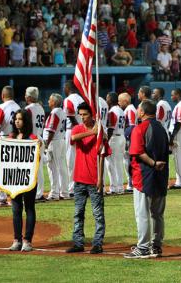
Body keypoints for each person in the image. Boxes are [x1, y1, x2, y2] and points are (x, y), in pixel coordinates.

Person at [124, 100, 170, 259]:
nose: (137, 111)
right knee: (157, 214)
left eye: (138, 109)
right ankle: (156, 246)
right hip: (162, 175)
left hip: (144, 176)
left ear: (142, 112)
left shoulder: (140, 128)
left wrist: (153, 163)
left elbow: (137, 152)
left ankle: (143, 247)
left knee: (142, 213)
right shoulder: (161, 128)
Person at [66, 103, 109, 255]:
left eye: (85, 114)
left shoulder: (100, 133)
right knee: (78, 213)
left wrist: (100, 179)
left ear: (92, 115)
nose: (82, 117)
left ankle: (98, 244)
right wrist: (92, 132)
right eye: (81, 114)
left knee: (98, 214)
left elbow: (103, 156)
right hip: (79, 178)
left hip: (94, 179)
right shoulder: (78, 128)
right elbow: (73, 137)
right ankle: (78, 243)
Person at [1, 109, 38, 252]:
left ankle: (27, 240)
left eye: (20, 119)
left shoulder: (33, 137)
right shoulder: (11, 136)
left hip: (28, 179)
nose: (17, 121)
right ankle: (17, 240)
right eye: (16, 119)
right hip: (14, 179)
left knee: (29, 208)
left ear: (26, 121)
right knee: (16, 209)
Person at [0, 86, 21, 206]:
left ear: (2, 95)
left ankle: (2, 196)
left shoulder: (1, 107)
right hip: (16, 139)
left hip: (3, 139)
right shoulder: (19, 107)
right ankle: (14, 194)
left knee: (1, 168)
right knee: (14, 168)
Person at [43, 93, 68, 201]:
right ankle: (64, 192)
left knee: (53, 168)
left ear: (54, 102)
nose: (48, 101)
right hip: (61, 140)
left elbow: (51, 130)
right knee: (61, 167)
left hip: (54, 141)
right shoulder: (62, 111)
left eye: (50, 99)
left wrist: (46, 144)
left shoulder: (55, 112)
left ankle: (54, 193)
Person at [24, 87, 46, 201]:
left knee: (32, 167)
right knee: (39, 167)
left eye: (26, 95)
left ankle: (36, 194)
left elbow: (26, 126)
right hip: (40, 137)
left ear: (29, 97)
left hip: (32, 138)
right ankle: (39, 193)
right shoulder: (41, 108)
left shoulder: (28, 109)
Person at [64, 82, 84, 198]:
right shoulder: (81, 99)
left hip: (72, 130)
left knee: (70, 161)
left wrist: (77, 130)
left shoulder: (68, 99)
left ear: (68, 88)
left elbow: (71, 117)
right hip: (82, 130)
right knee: (79, 160)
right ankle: (80, 186)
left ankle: (72, 188)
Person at [106, 92, 126, 194]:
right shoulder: (121, 110)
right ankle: (120, 187)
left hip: (114, 138)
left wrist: (106, 141)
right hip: (121, 136)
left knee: (111, 164)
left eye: (107, 98)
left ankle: (114, 188)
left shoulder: (112, 111)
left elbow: (110, 128)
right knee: (118, 164)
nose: (106, 100)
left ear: (110, 100)